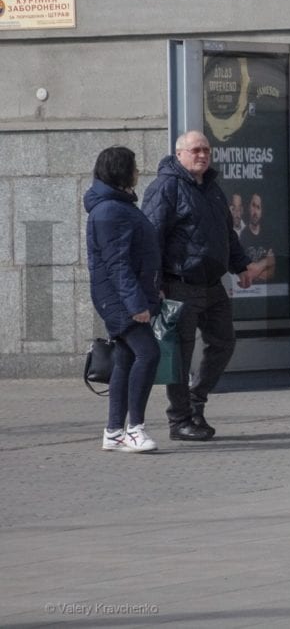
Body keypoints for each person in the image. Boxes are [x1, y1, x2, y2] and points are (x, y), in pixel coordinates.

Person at [142, 130, 263, 441]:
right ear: (179, 154)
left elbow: (226, 234)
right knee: (180, 355)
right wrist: (153, 285)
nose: (202, 155)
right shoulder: (166, 187)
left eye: (206, 150)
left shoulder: (212, 189)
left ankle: (196, 401)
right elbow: (150, 239)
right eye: (195, 150)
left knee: (224, 343)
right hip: (180, 284)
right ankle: (179, 420)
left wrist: (242, 267)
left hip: (212, 285)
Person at [84, 146, 162, 453]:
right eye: (134, 167)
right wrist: (136, 305)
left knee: (127, 358)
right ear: (121, 172)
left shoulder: (118, 206)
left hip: (126, 296)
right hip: (119, 300)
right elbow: (117, 264)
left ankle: (115, 431)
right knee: (149, 354)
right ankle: (134, 429)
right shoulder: (110, 211)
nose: (138, 172)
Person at [237, 192, 276, 281]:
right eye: (253, 206)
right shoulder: (241, 236)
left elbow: (271, 273)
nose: (255, 212)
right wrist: (265, 262)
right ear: (248, 208)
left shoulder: (268, 237)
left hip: (264, 290)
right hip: (246, 291)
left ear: (261, 212)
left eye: (258, 207)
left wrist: (251, 271)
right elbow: (242, 272)